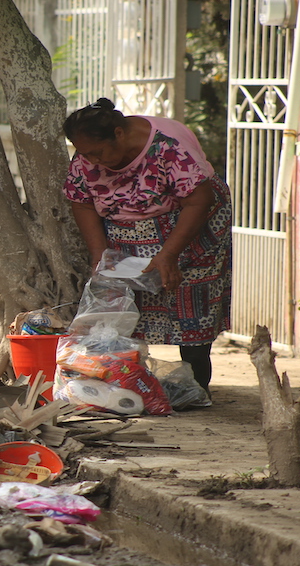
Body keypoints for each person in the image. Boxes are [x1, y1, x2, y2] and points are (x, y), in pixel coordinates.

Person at [62, 97, 232, 393]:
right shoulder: (87, 157)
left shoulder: (167, 147)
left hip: (189, 230)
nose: (93, 161)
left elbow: (198, 200)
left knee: (191, 305)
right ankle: (128, 383)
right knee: (122, 306)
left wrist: (169, 254)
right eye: (85, 154)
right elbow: (82, 202)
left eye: (97, 152)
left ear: (118, 133)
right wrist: (99, 254)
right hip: (126, 234)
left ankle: (195, 387)